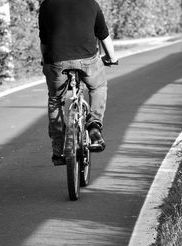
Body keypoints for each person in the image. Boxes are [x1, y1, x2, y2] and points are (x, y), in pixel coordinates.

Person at [39, 0, 118, 166]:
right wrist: (111, 58)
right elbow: (103, 36)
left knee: (56, 99)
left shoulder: (46, 5)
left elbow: (44, 41)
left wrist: (45, 61)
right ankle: (94, 126)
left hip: (57, 61)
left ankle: (59, 149)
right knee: (98, 86)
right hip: (88, 59)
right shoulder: (91, 4)